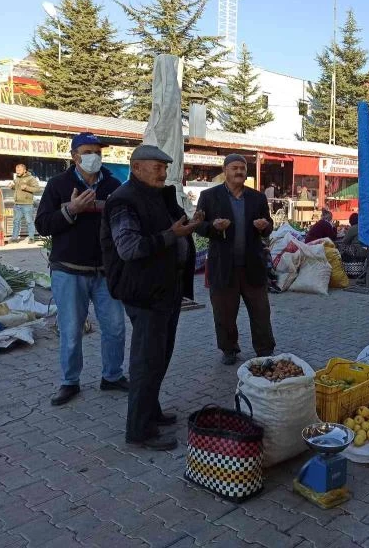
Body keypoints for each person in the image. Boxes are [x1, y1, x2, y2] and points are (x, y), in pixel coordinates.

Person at [101, 144, 201, 451]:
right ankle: (139, 430)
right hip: (144, 293)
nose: (163, 172)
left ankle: (151, 410)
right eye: (157, 167)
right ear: (136, 168)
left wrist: (194, 225)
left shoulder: (159, 194)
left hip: (166, 290)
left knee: (160, 357)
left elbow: (178, 228)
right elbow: (129, 248)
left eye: (165, 167)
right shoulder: (123, 200)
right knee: (146, 361)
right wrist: (173, 235)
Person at [35, 132, 127, 407]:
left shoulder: (113, 184)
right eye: (88, 151)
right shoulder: (58, 184)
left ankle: (112, 376)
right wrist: (72, 209)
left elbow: (122, 222)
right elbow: (42, 225)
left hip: (104, 271)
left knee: (115, 328)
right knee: (71, 331)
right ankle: (70, 382)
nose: (94, 157)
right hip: (69, 270)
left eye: (98, 152)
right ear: (74, 155)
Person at [195, 154, 275, 366]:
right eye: (234, 168)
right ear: (225, 170)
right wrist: (213, 227)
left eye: (242, 168)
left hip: (252, 266)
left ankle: (265, 349)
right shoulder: (209, 196)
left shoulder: (257, 198)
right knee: (224, 313)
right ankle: (229, 349)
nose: (239, 172)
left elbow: (269, 223)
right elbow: (198, 225)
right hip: (223, 266)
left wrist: (264, 226)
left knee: (260, 312)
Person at [10, 163, 40, 244]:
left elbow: (37, 189)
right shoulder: (17, 178)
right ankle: (14, 238)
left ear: (24, 170)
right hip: (17, 204)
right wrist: (12, 186)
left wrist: (27, 187)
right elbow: (17, 188)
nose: (17, 171)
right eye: (16, 170)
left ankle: (31, 238)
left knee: (29, 221)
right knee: (16, 221)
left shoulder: (30, 178)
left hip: (27, 204)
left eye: (19, 170)